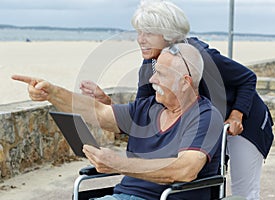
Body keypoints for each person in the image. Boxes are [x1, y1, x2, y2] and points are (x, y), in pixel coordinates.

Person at [80, 1, 274, 199]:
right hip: (210, 120)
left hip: (247, 121)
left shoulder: (201, 56)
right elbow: (140, 118)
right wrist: (107, 103)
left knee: (244, 192)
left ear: (167, 35)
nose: (140, 40)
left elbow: (248, 78)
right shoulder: (151, 64)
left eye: (147, 33)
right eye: (139, 32)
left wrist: (237, 115)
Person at [12, 43, 224, 200]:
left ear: (185, 83)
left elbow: (184, 169)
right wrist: (51, 92)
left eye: (160, 74)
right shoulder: (148, 107)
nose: (152, 80)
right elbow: (99, 112)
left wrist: (118, 163)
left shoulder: (205, 116)